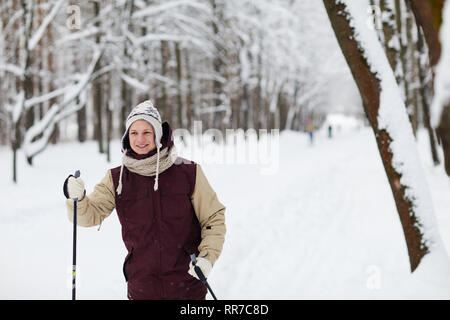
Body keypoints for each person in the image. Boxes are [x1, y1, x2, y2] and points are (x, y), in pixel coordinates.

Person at [63, 100, 226, 300]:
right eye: (134, 133)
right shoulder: (117, 178)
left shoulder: (188, 172)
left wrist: (207, 258)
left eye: (147, 132)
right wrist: (77, 199)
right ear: (126, 137)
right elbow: (90, 215)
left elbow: (213, 218)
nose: (140, 139)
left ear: (158, 135)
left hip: (187, 288)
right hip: (142, 289)